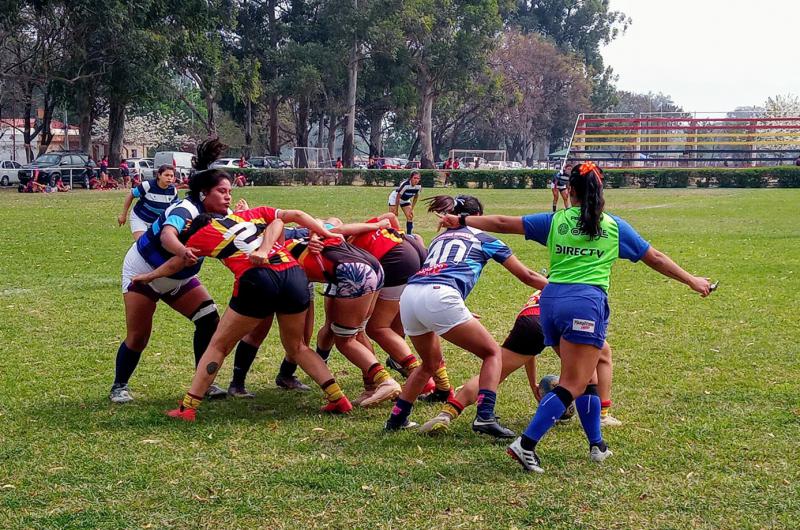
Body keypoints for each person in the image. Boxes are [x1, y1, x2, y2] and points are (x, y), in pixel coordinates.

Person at [437, 161, 712, 472]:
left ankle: (597, 445)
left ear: (570, 190)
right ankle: (526, 444)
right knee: (573, 383)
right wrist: (692, 280)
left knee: (588, 377)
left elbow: (502, 222)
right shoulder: (613, 226)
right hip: (585, 305)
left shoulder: (555, 221)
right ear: (600, 191)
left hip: (550, 304)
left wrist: (461, 219)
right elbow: (656, 258)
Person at [131, 206, 352, 421]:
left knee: (219, 345)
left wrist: (149, 277)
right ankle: (338, 398)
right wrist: (273, 245)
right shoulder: (246, 216)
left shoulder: (201, 234)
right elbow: (279, 220)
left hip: (258, 279)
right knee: (297, 346)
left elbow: (176, 263)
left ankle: (188, 408)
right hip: (294, 275)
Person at [384, 195, 548, 436]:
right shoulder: (485, 238)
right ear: (477, 217)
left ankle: (397, 419)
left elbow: (438, 269)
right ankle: (485, 416)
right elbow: (528, 276)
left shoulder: (441, 237)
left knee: (429, 364)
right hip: (440, 296)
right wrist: (561, 289)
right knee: (493, 353)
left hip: (411, 296)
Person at [110, 138, 236, 404]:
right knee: (139, 336)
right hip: (142, 272)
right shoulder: (186, 208)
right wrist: (182, 250)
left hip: (179, 278)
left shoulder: (224, 215)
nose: (228, 197)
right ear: (204, 193)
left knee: (208, 319)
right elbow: (168, 235)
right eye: (222, 191)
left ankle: (202, 380)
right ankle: (119, 386)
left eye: (230, 192)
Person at [419, 289, 619, 434]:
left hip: (528, 321)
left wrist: (532, 382)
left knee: (494, 374)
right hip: (562, 319)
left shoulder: (545, 286)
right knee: (600, 358)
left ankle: (447, 413)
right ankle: (602, 414)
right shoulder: (580, 285)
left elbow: (533, 344)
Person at [283, 225, 403, 408]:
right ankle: (371, 387)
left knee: (345, 340)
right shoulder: (303, 229)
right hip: (373, 267)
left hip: (355, 274)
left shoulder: (274, 249)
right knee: (358, 332)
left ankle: (385, 381)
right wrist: (315, 233)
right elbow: (330, 222)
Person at [118, 164, 179, 241]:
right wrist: (123, 215)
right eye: (166, 175)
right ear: (159, 175)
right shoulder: (147, 185)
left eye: (171, 176)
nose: (169, 178)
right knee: (143, 243)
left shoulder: (173, 191)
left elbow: (175, 208)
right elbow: (131, 196)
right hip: (140, 218)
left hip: (156, 222)